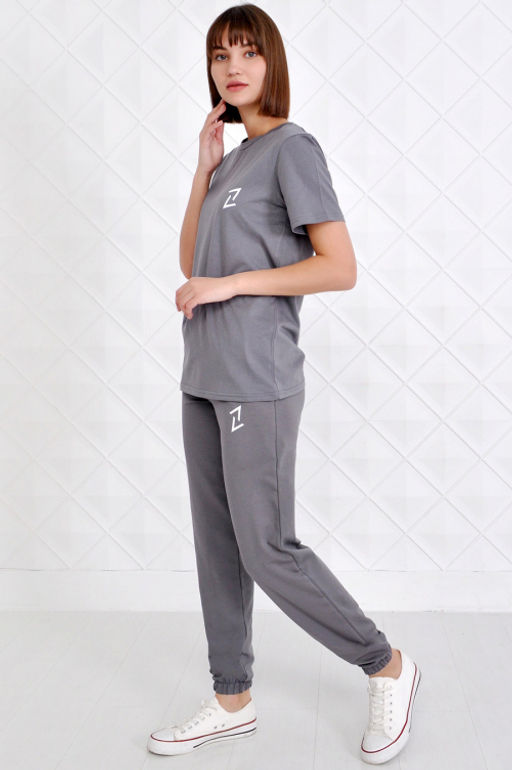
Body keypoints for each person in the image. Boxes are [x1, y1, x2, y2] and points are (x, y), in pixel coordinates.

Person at [147, 4, 421, 764]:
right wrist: (202, 171)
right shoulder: (234, 159)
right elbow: (191, 261)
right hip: (204, 374)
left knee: (268, 547)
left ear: (272, 62)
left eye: (248, 52)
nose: (233, 67)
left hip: (257, 377)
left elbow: (339, 267)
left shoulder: (293, 149)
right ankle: (231, 698)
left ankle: (387, 665)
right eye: (220, 55)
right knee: (218, 547)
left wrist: (234, 285)